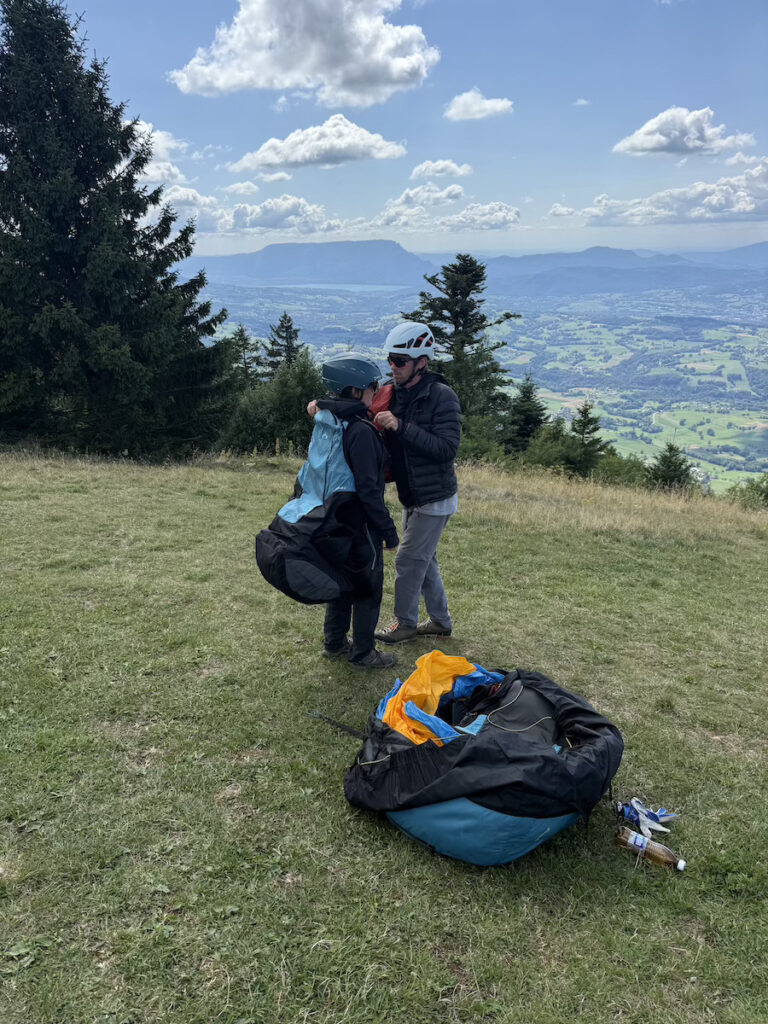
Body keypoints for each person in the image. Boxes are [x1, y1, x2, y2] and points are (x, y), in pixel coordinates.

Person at [372, 322, 462, 644]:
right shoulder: (393, 393)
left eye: (401, 361)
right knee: (425, 561)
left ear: (422, 362)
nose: (393, 368)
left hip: (434, 498)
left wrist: (401, 426)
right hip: (412, 495)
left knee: (409, 560)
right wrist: (322, 406)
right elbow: (361, 405)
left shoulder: (441, 396)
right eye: (391, 361)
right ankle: (440, 621)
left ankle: (405, 623)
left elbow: (446, 449)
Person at [310, 353, 400, 670]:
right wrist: (388, 532)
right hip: (360, 525)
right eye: (372, 387)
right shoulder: (360, 431)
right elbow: (369, 491)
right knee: (366, 588)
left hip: (331, 518)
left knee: (339, 582)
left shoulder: (327, 419)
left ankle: (334, 643)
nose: (376, 391)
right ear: (354, 391)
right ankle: (363, 653)